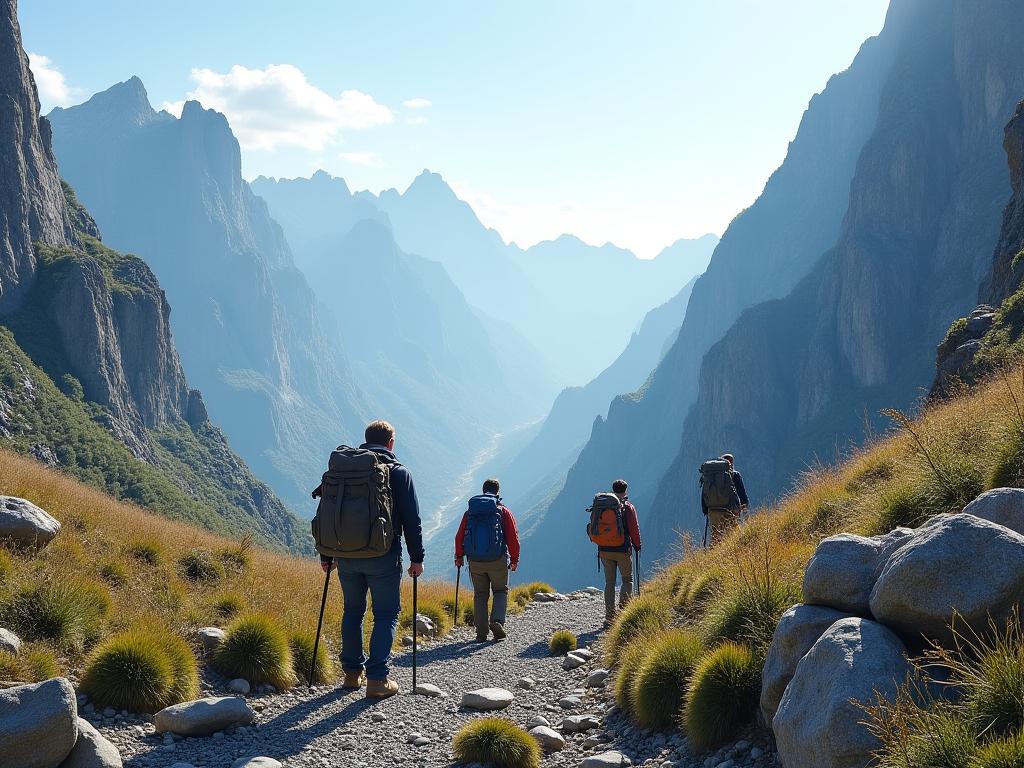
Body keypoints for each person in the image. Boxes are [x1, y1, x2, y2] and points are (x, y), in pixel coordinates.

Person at [320, 420, 424, 699]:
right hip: (383, 555)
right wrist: (417, 558)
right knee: (386, 614)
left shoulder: (343, 469)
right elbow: (412, 520)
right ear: (391, 443)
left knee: (353, 612)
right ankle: (377, 680)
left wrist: (327, 554)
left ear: (365, 440)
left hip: (344, 554)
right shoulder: (398, 473)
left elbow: (328, 512)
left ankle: (352, 675)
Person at [454, 478, 520, 642]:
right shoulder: (503, 511)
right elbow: (513, 537)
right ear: (498, 492)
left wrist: (458, 557)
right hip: (497, 559)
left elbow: (459, 537)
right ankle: (496, 621)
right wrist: (514, 559)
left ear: (483, 491)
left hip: (475, 560)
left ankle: (481, 633)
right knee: (499, 591)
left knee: (480, 595)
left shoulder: (470, 512)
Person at [599, 479, 642, 625]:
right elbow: (634, 528)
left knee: (609, 582)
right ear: (626, 491)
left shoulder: (603, 506)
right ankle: (623, 613)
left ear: (612, 490)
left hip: (604, 549)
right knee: (627, 580)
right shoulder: (627, 507)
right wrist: (637, 545)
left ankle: (609, 616)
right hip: (622, 549)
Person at [701, 452, 749, 545]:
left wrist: (706, 510)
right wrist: (744, 510)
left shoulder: (710, 476)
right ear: (731, 463)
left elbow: (704, 494)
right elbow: (742, 495)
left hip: (713, 511)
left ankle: (713, 556)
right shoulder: (735, 475)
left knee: (716, 536)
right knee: (732, 535)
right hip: (730, 509)